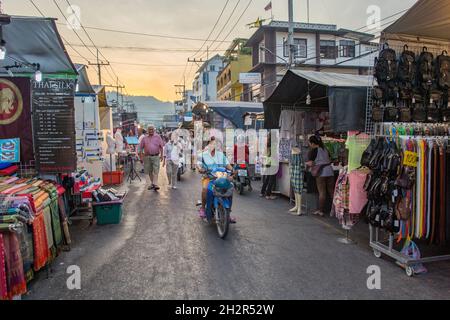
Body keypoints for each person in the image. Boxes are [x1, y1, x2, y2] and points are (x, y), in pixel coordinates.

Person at [197, 137, 236, 223]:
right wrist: (200, 169)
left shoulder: (221, 155)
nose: (214, 145)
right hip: (209, 177)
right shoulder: (202, 155)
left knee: (230, 190)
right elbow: (199, 165)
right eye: (212, 143)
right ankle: (203, 208)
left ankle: (227, 213)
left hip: (221, 177)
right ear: (208, 144)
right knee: (205, 189)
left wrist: (232, 171)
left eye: (216, 144)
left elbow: (227, 165)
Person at [306, 135, 335, 217]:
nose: (309, 145)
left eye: (310, 143)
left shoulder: (314, 151)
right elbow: (330, 159)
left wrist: (306, 163)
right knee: (332, 191)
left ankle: (320, 210)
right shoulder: (325, 149)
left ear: (312, 143)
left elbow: (311, 163)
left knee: (322, 192)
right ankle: (335, 210)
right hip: (330, 171)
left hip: (321, 173)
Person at [139, 125, 164, 191]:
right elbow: (140, 148)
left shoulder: (158, 137)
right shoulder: (144, 138)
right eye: (149, 129)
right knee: (149, 171)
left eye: (152, 129)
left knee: (156, 170)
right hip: (147, 156)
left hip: (156, 156)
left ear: (154, 130)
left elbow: (161, 147)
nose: (151, 130)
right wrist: (141, 157)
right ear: (147, 130)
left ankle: (155, 183)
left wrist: (162, 155)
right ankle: (153, 183)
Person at [260, 135, 278, 200]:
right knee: (271, 179)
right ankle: (268, 194)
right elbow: (274, 155)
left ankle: (262, 192)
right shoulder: (273, 145)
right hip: (272, 163)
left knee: (267, 179)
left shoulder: (267, 145)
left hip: (268, 163)